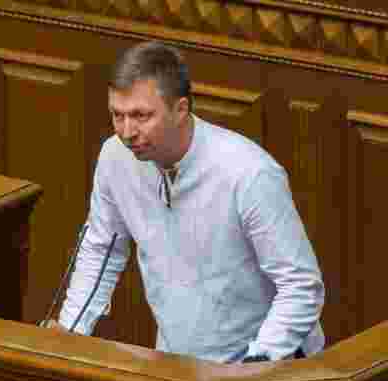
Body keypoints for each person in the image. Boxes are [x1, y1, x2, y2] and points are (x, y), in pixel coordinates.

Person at [52, 40, 325, 363]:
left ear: (181, 110)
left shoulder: (249, 173)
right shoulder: (115, 158)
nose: (126, 132)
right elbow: (102, 249)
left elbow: (300, 286)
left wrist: (255, 368)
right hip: (179, 365)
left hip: (268, 365)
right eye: (117, 115)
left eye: (141, 116)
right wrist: (67, 338)